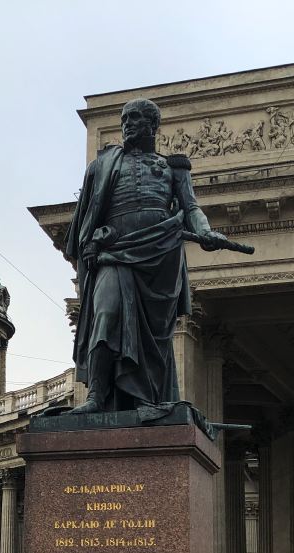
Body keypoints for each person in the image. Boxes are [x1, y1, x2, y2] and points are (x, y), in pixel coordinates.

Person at [66, 97, 230, 416]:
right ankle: (96, 394)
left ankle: (146, 396)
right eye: (125, 119)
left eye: (136, 119)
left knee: (153, 337)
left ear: (153, 126)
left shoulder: (173, 167)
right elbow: (87, 216)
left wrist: (206, 231)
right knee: (106, 315)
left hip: (159, 257)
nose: (127, 124)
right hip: (114, 253)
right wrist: (95, 238)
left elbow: (190, 207)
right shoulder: (102, 165)